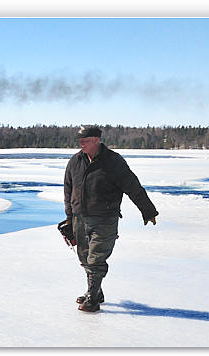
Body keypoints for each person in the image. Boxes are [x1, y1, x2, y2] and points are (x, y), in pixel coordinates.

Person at [63, 125, 159, 312]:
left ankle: (92, 299)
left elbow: (133, 186)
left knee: (96, 259)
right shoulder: (75, 161)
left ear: (97, 140)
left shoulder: (113, 161)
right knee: (84, 257)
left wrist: (148, 210)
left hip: (105, 219)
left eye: (86, 140)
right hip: (79, 218)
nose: (81, 144)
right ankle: (96, 291)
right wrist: (69, 217)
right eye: (80, 141)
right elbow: (68, 190)